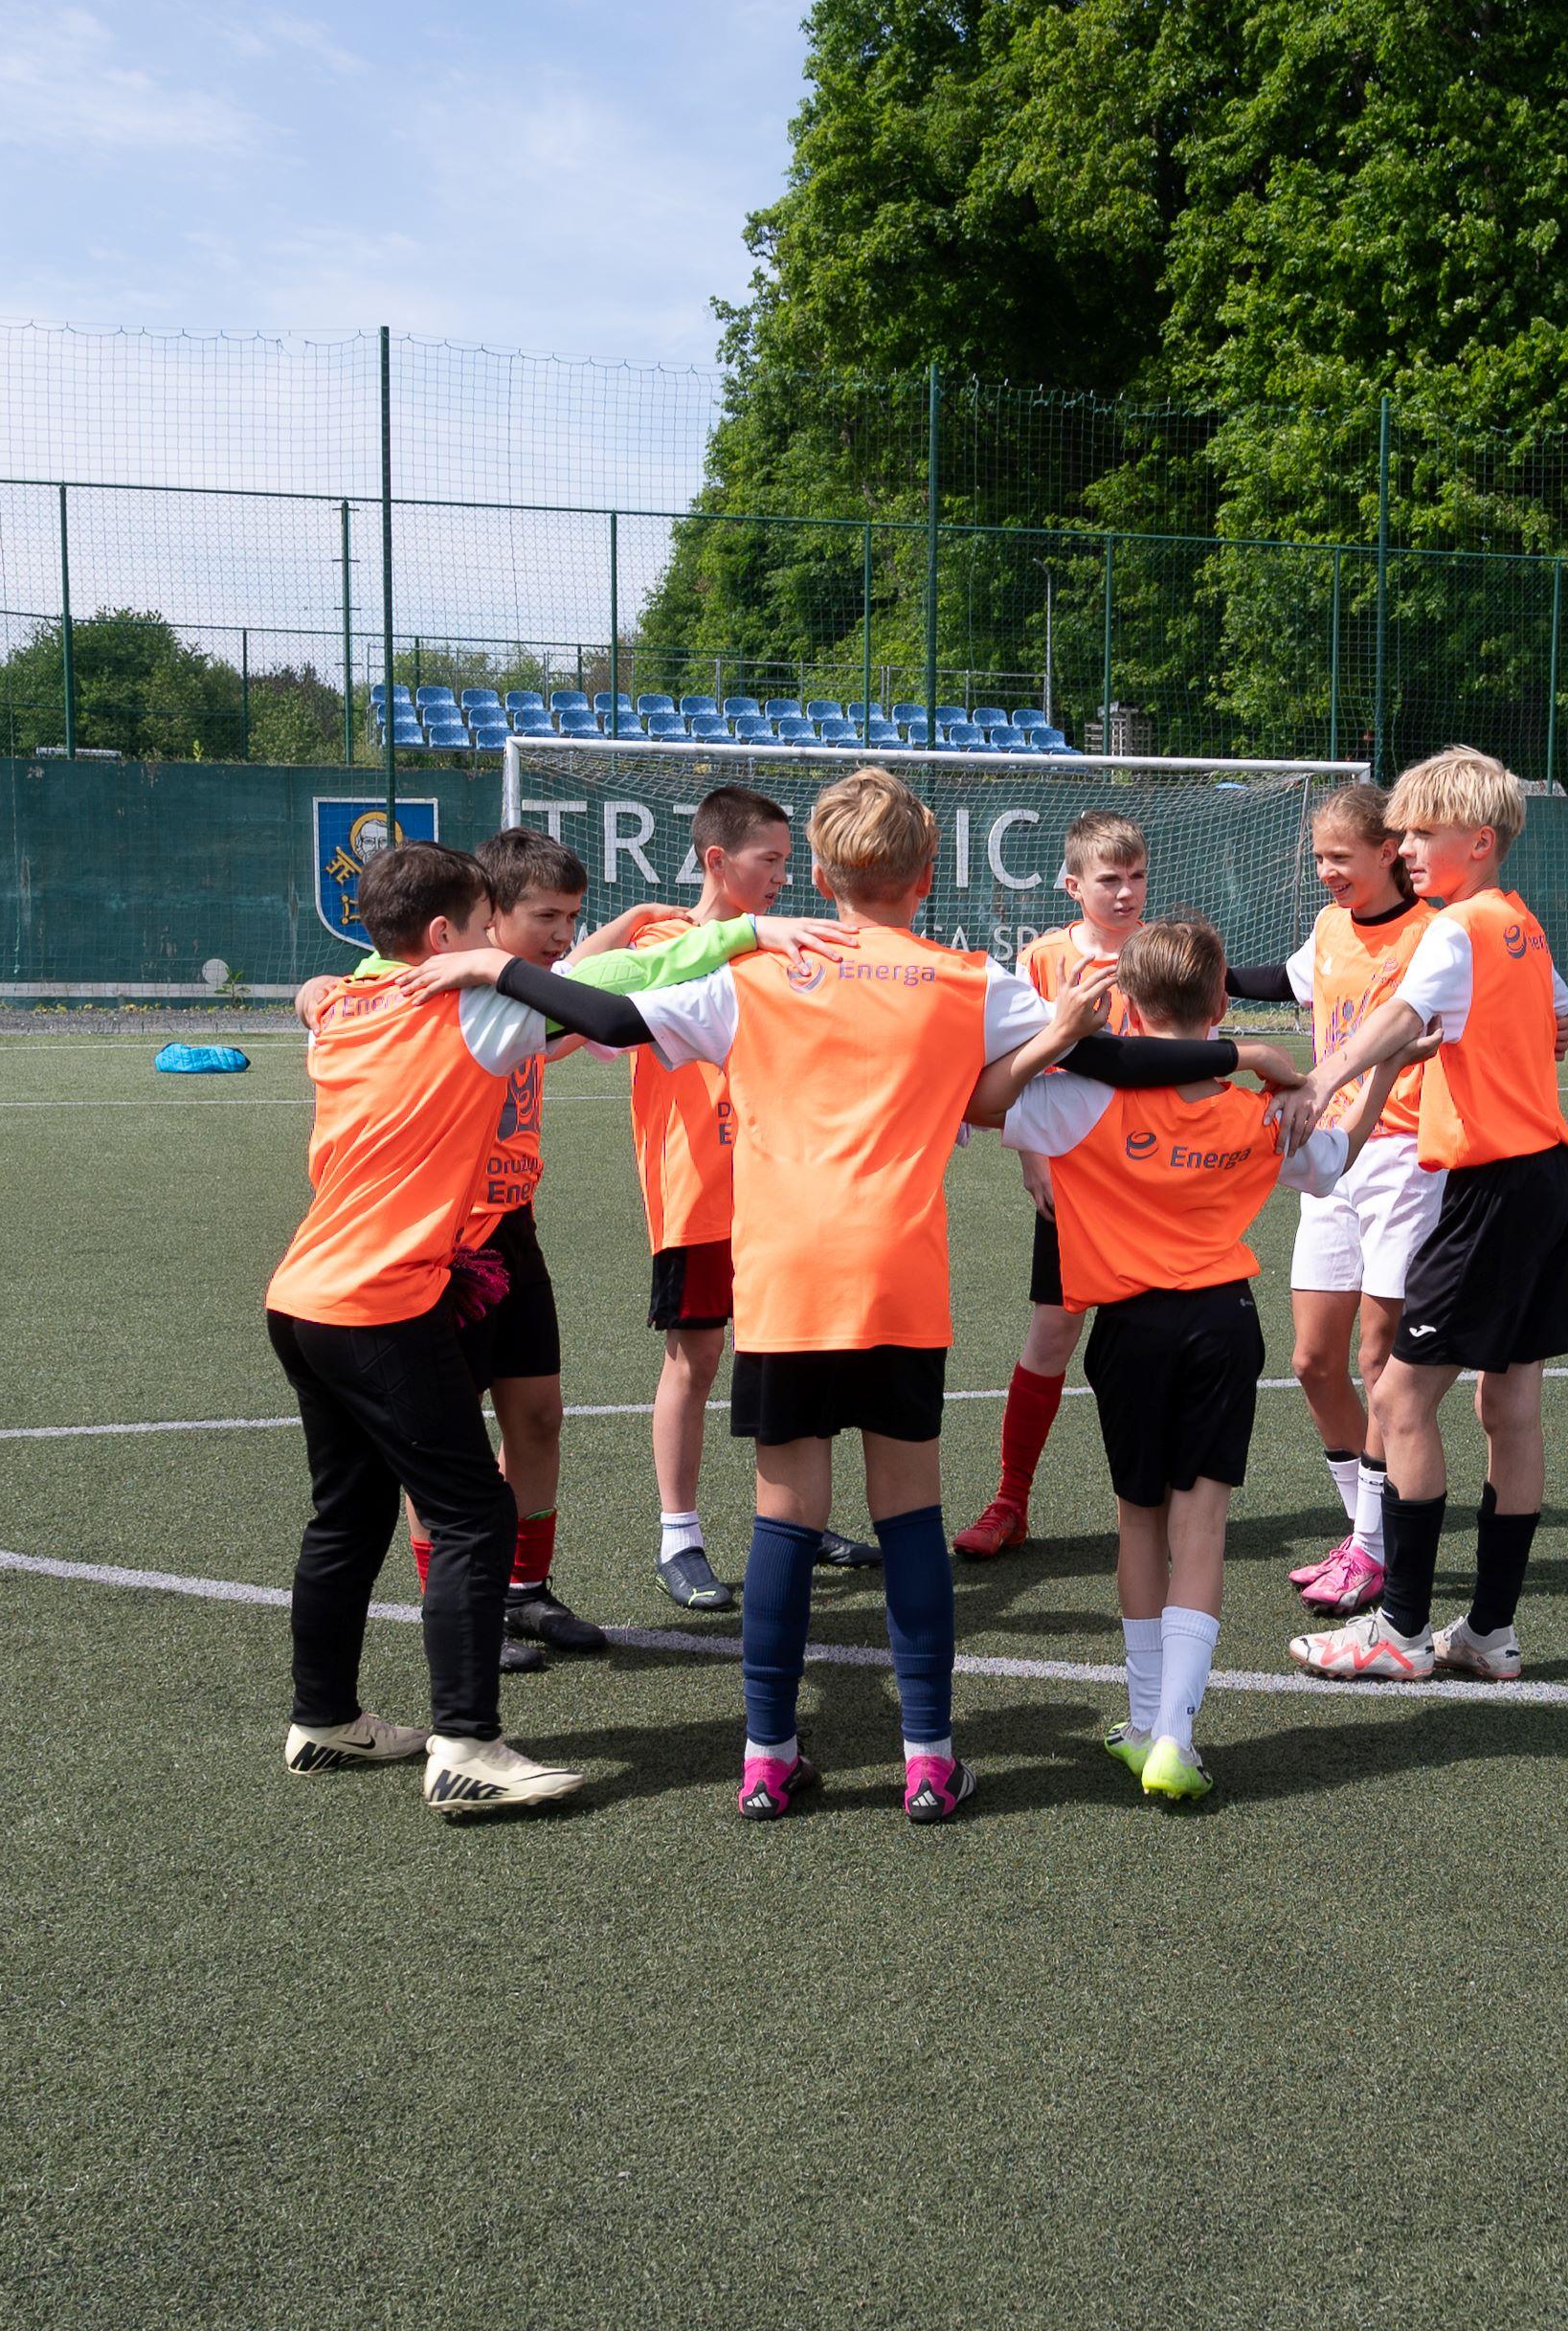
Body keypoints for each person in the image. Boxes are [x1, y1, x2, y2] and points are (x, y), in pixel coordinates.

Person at [413, 768, 1266, 1824]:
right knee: (909, 1517)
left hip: (786, 1281)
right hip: (898, 1278)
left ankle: (768, 1756)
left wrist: (493, 963)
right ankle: (928, 1757)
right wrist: (1245, 1053)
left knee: (783, 1519)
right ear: (929, 874)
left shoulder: (763, 971)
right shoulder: (967, 979)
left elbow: (609, 1016)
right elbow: (1115, 1058)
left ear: (819, 876)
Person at [976, 918, 1372, 1803]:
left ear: (1126, 1002)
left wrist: (1060, 1035)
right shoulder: (1258, 1108)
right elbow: (1337, 1159)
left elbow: (980, 1098)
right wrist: (1380, 1069)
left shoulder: (1081, 1101)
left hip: (1129, 1331)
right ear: (1221, 1003)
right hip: (1224, 1326)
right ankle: (1175, 1738)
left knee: (1139, 1523)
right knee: (1203, 1529)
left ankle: (1144, 1719)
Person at [379, 828, 769, 1671]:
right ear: (487, 917)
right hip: (440, 1239)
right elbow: (616, 979)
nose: (563, 934)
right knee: (448, 1439)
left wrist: (617, 924)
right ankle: (458, 1611)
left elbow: (598, 975)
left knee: (539, 1416)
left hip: (511, 1228)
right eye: (545, 917)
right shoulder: (453, 996)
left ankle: (523, 1589)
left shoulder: (528, 992)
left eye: (572, 917)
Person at [259, 837, 584, 1809]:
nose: (501, 944)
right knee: (474, 1511)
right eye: (488, 927)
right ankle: (467, 1746)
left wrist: (312, 989)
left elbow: (317, 997)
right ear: (444, 936)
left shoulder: (341, 1007)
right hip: (381, 1304)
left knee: (347, 1513)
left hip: (303, 1297)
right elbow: (611, 1009)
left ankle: (322, 1720)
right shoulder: (474, 1005)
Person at [1278, 747, 1568, 1686]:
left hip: (1490, 1191)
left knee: (1401, 1399)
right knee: (1509, 1408)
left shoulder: (1454, 928)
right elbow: (1561, 1019)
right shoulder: (1519, 924)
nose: (1405, 847)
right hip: (1550, 1181)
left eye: (1421, 833)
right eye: (1402, 832)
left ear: (1478, 841)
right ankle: (1488, 1631)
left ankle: (1399, 1629)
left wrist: (1324, 1077)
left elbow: (1401, 1017)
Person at [1217, 784, 1438, 1616]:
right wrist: (1202, 973)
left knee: (1379, 1364)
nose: (1326, 872)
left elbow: (1535, 1002)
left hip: (1407, 1159)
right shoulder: (1329, 925)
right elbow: (1287, 980)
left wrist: (1557, 1018)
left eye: (1340, 857)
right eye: (1319, 858)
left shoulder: (1437, 934)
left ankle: (1372, 1549)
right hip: (1331, 1153)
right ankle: (1364, 1534)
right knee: (1313, 1361)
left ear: (1389, 852)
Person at [958, 810, 1154, 1560]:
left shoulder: (1166, 952)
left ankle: (1157, 1496)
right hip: (1073, 1177)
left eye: (1136, 877)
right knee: (1052, 1333)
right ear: (1074, 886)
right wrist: (1032, 1158)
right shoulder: (1042, 958)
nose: (1125, 892)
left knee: (1149, 1343)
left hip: (1154, 1181)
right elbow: (1018, 1066)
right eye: (1110, 879)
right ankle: (1011, 1500)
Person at [627, 784, 789, 1613]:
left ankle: (791, 1517)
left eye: (789, 862)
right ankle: (678, 1536)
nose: (782, 878)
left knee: (790, 1355)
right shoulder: (663, 943)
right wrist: (629, 921)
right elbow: (582, 989)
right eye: (771, 861)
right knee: (695, 1360)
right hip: (698, 1193)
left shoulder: (778, 948)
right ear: (718, 860)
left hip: (783, 1189)